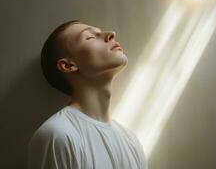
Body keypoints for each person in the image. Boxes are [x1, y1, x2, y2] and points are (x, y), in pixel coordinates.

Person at [28, 20, 147, 169]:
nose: (111, 34)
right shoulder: (56, 136)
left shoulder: (132, 142)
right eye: (90, 37)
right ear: (69, 65)